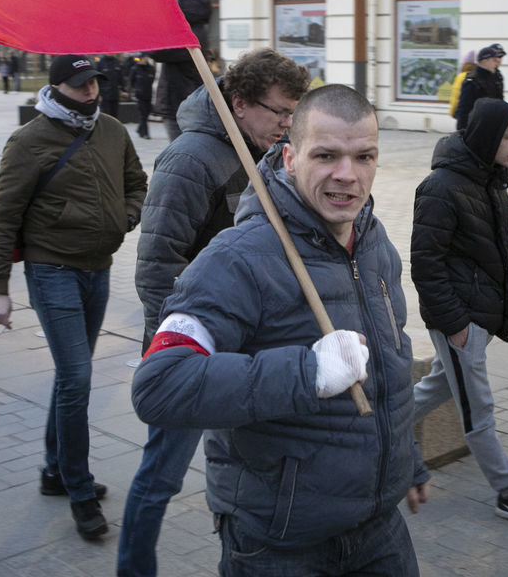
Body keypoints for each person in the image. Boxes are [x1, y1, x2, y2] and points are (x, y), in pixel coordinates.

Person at [131, 84, 430, 576]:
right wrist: (307, 372)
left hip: (380, 527)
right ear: (289, 158)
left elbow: (392, 364)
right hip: (281, 540)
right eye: (326, 155)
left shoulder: (376, 245)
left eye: (364, 157)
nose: (347, 176)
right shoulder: (238, 257)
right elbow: (160, 386)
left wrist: (408, 458)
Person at [118, 48, 310, 577]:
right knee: (162, 474)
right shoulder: (190, 159)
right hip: (192, 347)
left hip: (253, 342)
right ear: (241, 104)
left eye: (294, 112)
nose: (287, 124)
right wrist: (174, 354)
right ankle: (133, 568)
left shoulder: (269, 152)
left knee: (255, 468)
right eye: (279, 111)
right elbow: (156, 266)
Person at [0, 54, 147, 541]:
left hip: (98, 269)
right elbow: (2, 215)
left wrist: (126, 216)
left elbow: (136, 183)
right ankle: (78, 490)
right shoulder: (28, 141)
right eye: (80, 85)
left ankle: (55, 469)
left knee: (69, 378)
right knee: (77, 378)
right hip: (51, 268)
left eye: (94, 81)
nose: (91, 91)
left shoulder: (113, 130)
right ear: (55, 87)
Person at [410, 97, 508, 529]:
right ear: (487, 137)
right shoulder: (440, 186)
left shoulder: (489, 179)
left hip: (477, 317)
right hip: (460, 321)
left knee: (438, 386)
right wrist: (456, 325)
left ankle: (373, 432)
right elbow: (425, 263)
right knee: (479, 410)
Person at [455, 44, 508, 209]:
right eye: (495, 59)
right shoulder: (472, 79)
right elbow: (463, 109)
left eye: (500, 60)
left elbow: (500, 101)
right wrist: (462, 133)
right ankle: (483, 199)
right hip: (478, 129)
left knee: (504, 162)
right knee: (482, 167)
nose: (498, 63)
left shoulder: (497, 76)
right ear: (484, 60)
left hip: (496, 127)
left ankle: (502, 194)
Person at [151, 0, 211, 140]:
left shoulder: (189, 36)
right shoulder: (197, 31)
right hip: (185, 102)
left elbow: (156, 51)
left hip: (180, 104)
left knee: (179, 152)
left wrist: (162, 20)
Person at [127, 54, 156, 139]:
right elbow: (131, 82)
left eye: (144, 58)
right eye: (141, 59)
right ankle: (146, 133)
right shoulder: (135, 69)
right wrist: (133, 92)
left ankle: (139, 129)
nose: (143, 60)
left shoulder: (150, 69)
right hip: (139, 96)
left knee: (146, 114)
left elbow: (153, 80)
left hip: (149, 95)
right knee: (143, 115)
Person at [447, 49, 476, 117]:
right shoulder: (477, 76)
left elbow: (456, 96)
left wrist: (452, 112)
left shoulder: (461, 77)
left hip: (463, 113)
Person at [96, 54, 124, 118]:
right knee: (106, 115)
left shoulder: (117, 62)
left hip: (115, 94)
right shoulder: (101, 63)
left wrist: (123, 90)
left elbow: (121, 78)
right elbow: (97, 79)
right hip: (104, 95)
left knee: (115, 115)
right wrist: (98, 94)